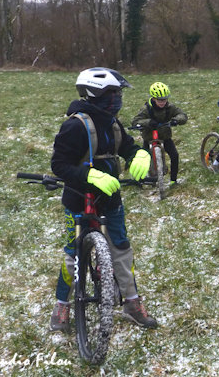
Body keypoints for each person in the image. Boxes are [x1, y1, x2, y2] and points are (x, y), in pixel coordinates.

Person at [50, 67, 158, 333]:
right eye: (113, 93)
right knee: (73, 254)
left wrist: (138, 155)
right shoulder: (75, 125)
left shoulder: (112, 122)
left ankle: (131, 303)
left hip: (110, 198)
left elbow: (127, 146)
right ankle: (62, 305)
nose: (117, 99)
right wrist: (88, 175)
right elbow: (59, 165)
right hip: (78, 200)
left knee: (121, 248)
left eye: (118, 93)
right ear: (94, 94)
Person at [131, 82, 188, 187]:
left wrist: (176, 120)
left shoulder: (170, 108)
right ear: (153, 98)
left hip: (164, 137)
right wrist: (148, 122)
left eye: (164, 100)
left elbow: (183, 115)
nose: (162, 102)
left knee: (174, 155)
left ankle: (173, 180)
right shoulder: (146, 109)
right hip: (148, 138)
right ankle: (142, 180)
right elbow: (135, 121)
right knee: (144, 159)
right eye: (159, 100)